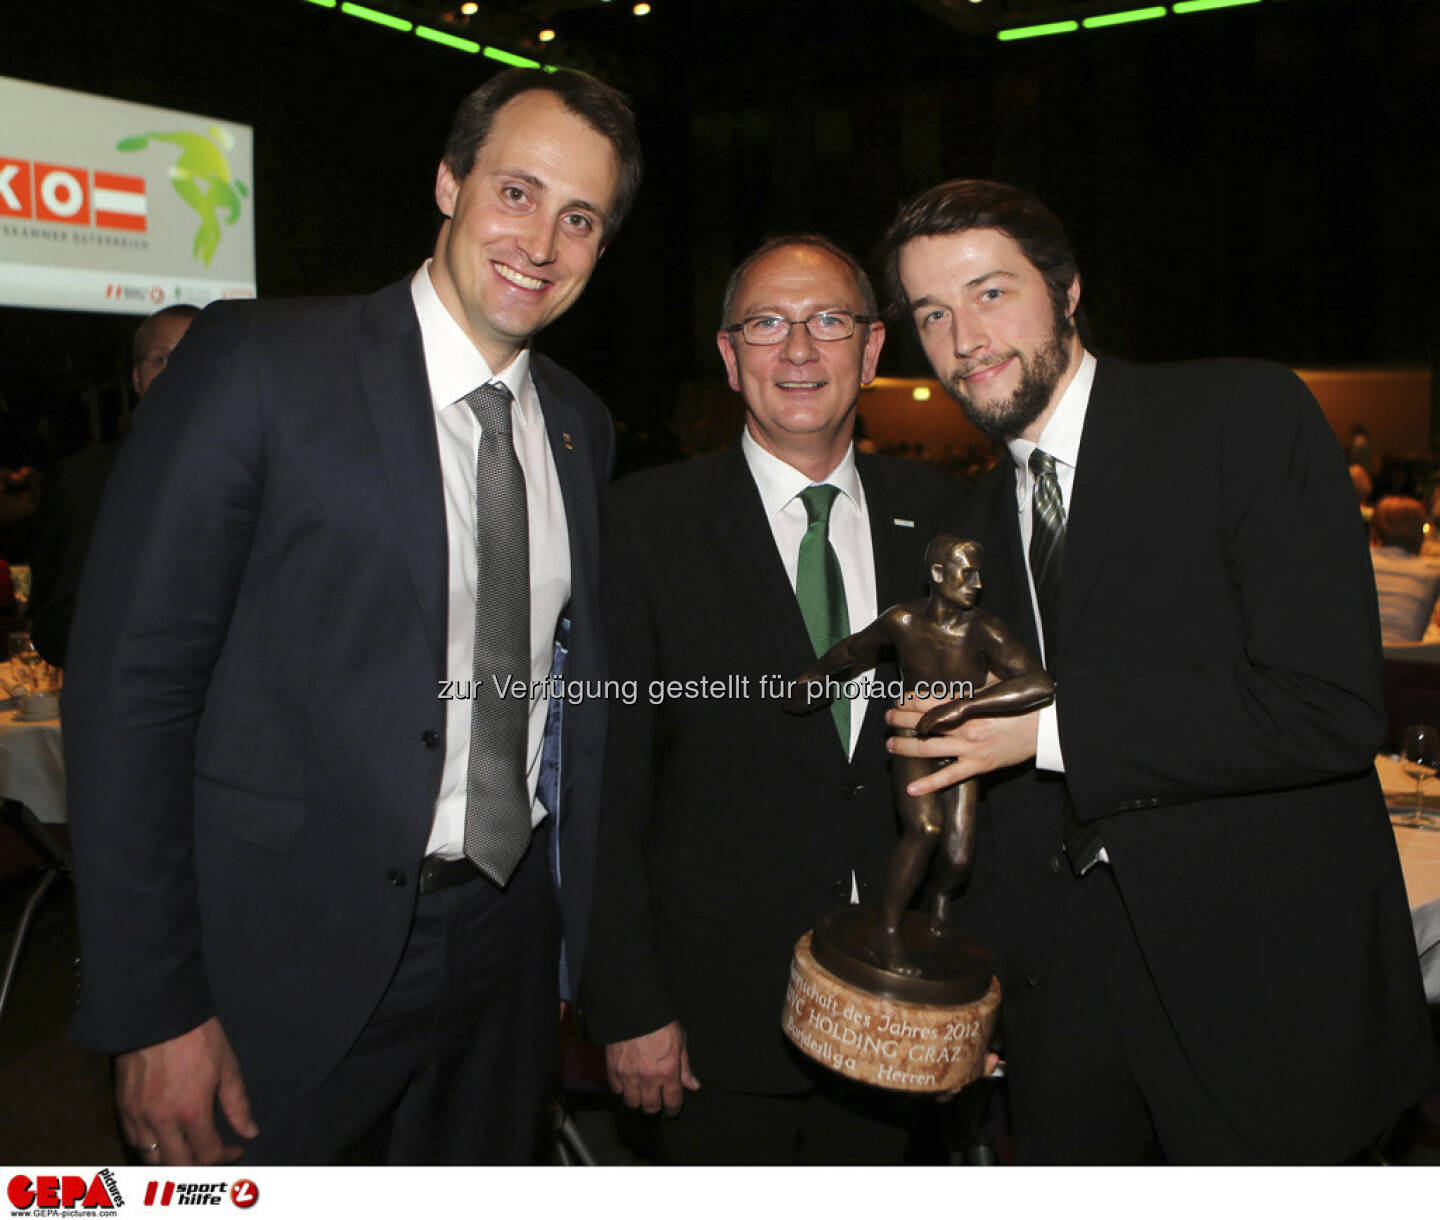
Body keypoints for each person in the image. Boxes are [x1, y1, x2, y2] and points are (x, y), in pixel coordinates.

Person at [63, 67, 641, 1166]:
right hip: (283, 956)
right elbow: (129, 691)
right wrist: (150, 1004)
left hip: (507, 950)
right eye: (517, 192)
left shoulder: (579, 424)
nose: (542, 241)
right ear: (447, 182)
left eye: (581, 218)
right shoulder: (259, 363)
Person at [876, 178, 1436, 1164]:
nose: (963, 336)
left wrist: (1046, 732)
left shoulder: (1238, 413)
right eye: (932, 311)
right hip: (1065, 1027)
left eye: (990, 291)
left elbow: (1330, 706)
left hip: (1263, 1000)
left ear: (1068, 288)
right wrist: (986, 982)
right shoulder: (968, 533)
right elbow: (1005, 808)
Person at [581, 236, 962, 1164]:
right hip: (710, 1028)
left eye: (829, 321)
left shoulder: (950, 521)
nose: (799, 350)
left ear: (871, 353)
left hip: (903, 1020)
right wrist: (628, 1005)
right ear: (728, 356)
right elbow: (605, 788)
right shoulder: (639, 524)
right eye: (767, 324)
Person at [788, 535, 1051, 974]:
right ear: (936, 574)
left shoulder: (984, 630)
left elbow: (1039, 683)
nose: (977, 583)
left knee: (960, 854)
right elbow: (854, 648)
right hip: (914, 735)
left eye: (979, 573)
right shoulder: (904, 621)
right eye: (966, 573)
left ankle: (942, 900)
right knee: (926, 827)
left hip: (963, 741)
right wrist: (815, 675)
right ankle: (886, 930)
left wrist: (964, 706)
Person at [30, 305, 198, 666]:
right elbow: (55, 625)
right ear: (137, 378)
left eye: (199, 359)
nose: (180, 375)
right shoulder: (85, 481)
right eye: (163, 360)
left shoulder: (271, 476)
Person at [1369, 495, 1440, 642]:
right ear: (1419, 532)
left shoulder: (1356, 560)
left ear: (1375, 528)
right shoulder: (1431, 571)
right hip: (1407, 660)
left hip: (1354, 656)